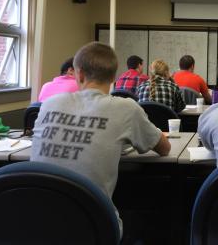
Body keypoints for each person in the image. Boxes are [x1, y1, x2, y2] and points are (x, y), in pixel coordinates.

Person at [31, 42, 171, 236]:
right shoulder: (126, 108)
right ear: (113, 77)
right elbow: (164, 149)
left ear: (78, 74)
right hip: (94, 224)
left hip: (33, 221)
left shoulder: (48, 104)